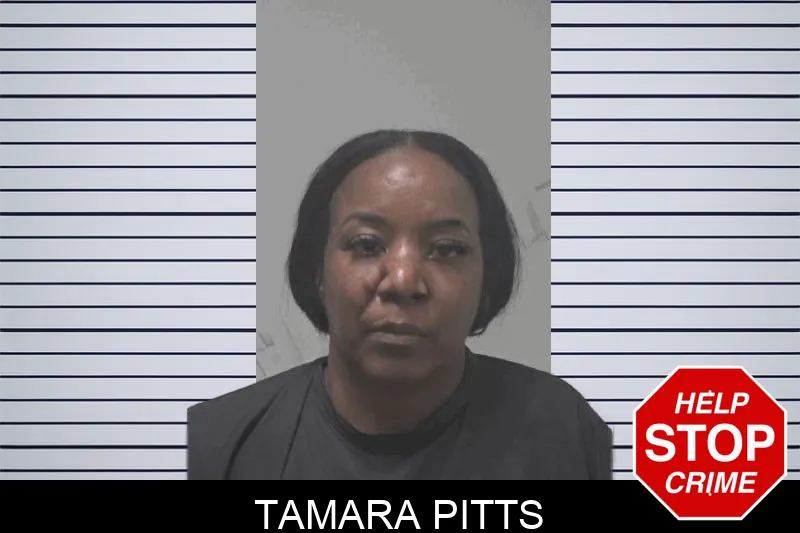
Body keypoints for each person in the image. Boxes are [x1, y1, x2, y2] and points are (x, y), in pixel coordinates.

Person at [186, 129, 613, 480]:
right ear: (317, 272)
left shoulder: (565, 430)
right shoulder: (216, 445)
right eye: (366, 244)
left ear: (487, 278)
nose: (404, 281)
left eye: (446, 249)